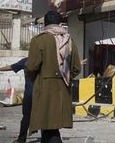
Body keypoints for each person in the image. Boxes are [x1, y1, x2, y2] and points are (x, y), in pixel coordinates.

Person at [26, 11, 81, 143]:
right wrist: (65, 77)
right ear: (60, 23)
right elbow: (76, 68)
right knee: (52, 126)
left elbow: (31, 67)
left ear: (45, 23)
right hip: (63, 89)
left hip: (44, 88)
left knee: (48, 126)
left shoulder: (38, 40)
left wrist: (37, 80)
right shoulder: (69, 41)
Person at [0, 58, 32, 143]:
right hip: (42, 95)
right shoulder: (44, 61)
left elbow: (12, 67)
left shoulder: (27, 60)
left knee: (26, 118)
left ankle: (21, 140)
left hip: (29, 94)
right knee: (43, 117)